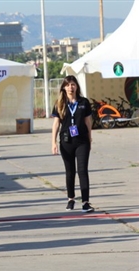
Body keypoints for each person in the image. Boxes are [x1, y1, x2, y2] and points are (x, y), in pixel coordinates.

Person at [51, 75, 94, 212]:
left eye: (73, 84)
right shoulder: (59, 104)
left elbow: (88, 121)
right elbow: (56, 124)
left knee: (82, 171)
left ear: (77, 86)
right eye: (68, 85)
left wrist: (90, 137)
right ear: (64, 87)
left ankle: (86, 202)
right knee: (70, 172)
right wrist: (53, 142)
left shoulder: (84, 102)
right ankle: (71, 199)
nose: (71, 87)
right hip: (66, 141)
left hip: (82, 141)